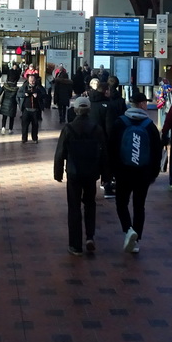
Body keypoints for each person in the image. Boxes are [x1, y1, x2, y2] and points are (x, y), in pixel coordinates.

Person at [53, 96, 107, 256]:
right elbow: (104, 153)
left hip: (74, 172)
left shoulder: (69, 128)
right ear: (89, 110)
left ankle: (75, 245)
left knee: (74, 206)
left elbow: (60, 153)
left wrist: (58, 172)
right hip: (91, 173)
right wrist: (105, 174)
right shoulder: (96, 129)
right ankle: (90, 236)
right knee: (90, 204)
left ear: (75, 110)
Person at [109, 91, 162, 254]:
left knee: (121, 203)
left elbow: (112, 147)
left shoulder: (120, 123)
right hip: (143, 173)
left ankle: (128, 229)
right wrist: (154, 173)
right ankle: (136, 239)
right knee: (139, 205)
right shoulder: (149, 126)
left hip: (123, 172)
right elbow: (157, 152)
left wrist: (113, 170)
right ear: (141, 105)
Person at [17, 75, 47, 144]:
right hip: (26, 109)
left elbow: (45, 95)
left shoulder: (39, 87)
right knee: (24, 125)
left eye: (33, 81)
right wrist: (25, 95)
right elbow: (18, 94)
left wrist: (38, 96)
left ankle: (35, 138)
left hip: (35, 110)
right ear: (28, 80)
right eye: (31, 81)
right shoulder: (24, 86)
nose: (32, 82)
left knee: (35, 125)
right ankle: (24, 138)